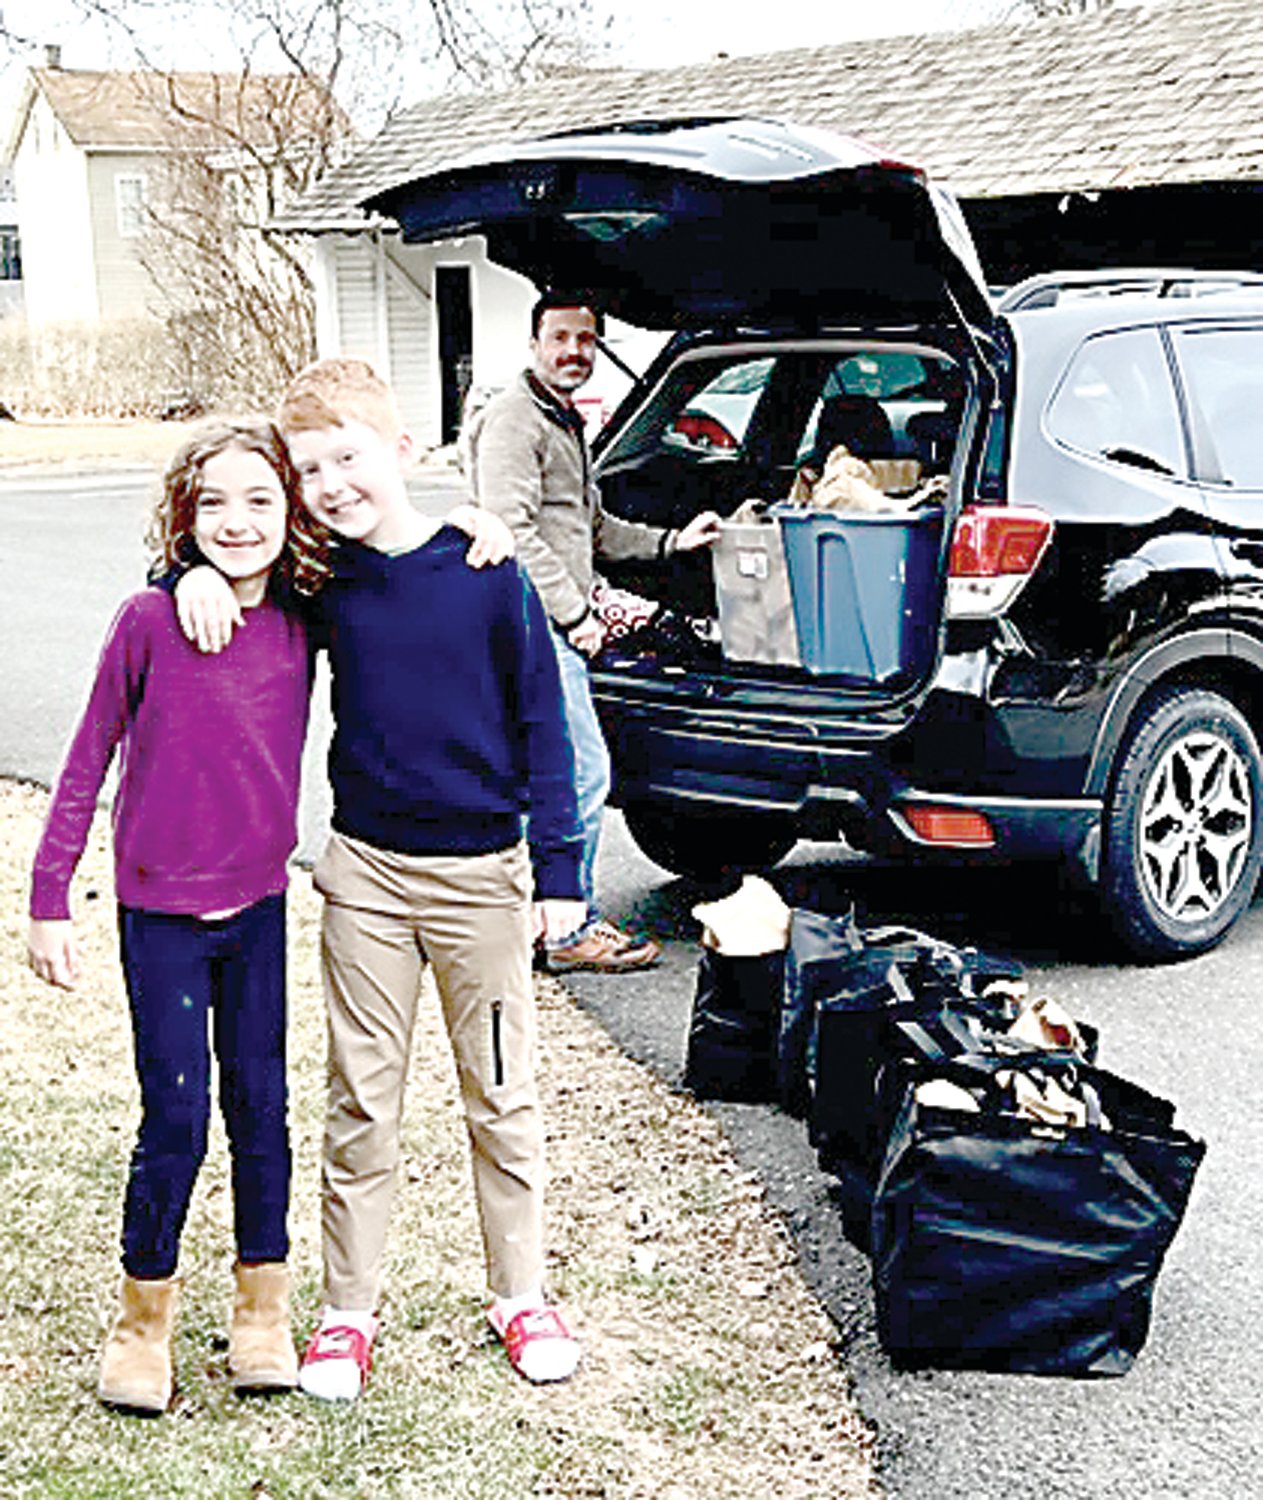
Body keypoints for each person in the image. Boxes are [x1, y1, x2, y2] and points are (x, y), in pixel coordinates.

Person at [175, 358, 587, 1399]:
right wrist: (187, 576)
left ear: (403, 450)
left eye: (346, 458)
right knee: (364, 1099)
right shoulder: (325, 581)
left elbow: (546, 722)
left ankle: (521, 1293)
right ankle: (348, 1314)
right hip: (363, 878)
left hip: (482, 882)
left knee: (500, 1095)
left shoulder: (486, 570)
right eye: (308, 470)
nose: (329, 484)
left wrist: (562, 870)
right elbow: (232, 570)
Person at [27, 421, 323, 1413]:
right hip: (161, 917)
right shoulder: (148, 622)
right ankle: (141, 1324)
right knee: (178, 1116)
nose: (238, 524)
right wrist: (48, 897)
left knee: (262, 1109)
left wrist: (475, 532)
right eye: (213, 505)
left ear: (291, 513)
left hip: (260, 911)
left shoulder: (303, 614)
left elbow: (392, 564)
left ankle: (262, 1313)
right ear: (182, 518)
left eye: (260, 501)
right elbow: (84, 760)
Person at [464, 291, 723, 973]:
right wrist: (577, 617)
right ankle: (566, 925)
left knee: (538, 779)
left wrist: (674, 542)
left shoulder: (563, 421)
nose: (573, 352)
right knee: (579, 772)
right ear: (533, 345)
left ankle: (521, 924)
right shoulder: (515, 420)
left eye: (585, 340)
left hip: (545, 622)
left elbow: (594, 529)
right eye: (560, 339)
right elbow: (509, 531)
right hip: (528, 626)